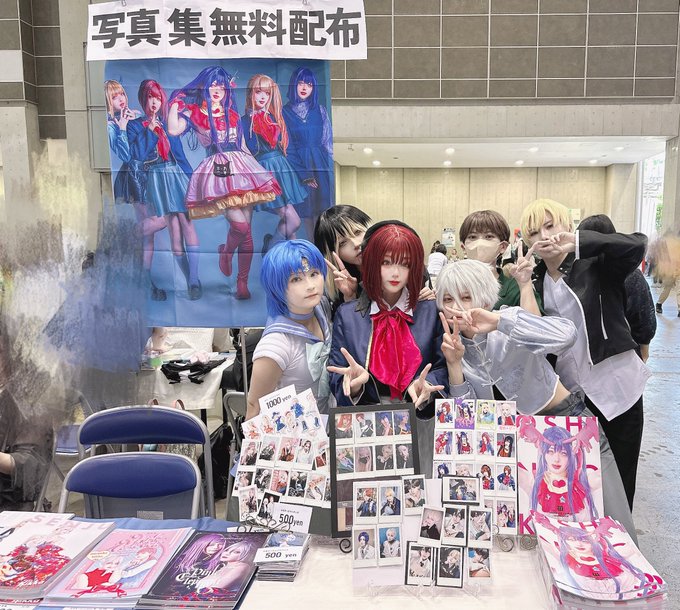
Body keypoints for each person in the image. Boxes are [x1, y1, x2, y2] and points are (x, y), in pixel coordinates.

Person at [434, 258, 635, 536]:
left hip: (568, 425)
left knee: (612, 524)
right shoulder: (452, 347)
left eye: (466, 297)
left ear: (484, 297)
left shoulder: (510, 319)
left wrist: (499, 322)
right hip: (517, 446)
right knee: (548, 538)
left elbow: (566, 335)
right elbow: (466, 419)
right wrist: (455, 364)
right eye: (448, 300)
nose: (457, 307)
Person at [520, 198, 650, 509]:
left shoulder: (598, 264)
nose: (544, 236)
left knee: (621, 484)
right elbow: (535, 334)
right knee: (580, 482)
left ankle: (621, 537)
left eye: (550, 226)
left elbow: (637, 245)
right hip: (572, 396)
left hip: (619, 390)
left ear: (567, 225)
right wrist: (524, 284)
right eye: (534, 232)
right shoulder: (536, 279)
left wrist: (577, 242)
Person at [327, 221, 451, 475]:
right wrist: (354, 385)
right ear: (373, 263)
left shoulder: (430, 311)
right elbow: (336, 371)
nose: (396, 273)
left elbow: (442, 366)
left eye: (404, 264)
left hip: (417, 417)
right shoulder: (348, 315)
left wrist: (427, 386)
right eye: (386, 263)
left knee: (418, 487)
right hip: (366, 422)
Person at [168, 66, 280, 300]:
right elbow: (173, 129)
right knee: (240, 227)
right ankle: (226, 252)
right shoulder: (196, 113)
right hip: (217, 172)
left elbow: (242, 145)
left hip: (241, 168)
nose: (217, 89)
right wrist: (176, 105)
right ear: (205, 87)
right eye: (213, 85)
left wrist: (257, 170)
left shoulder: (231, 114)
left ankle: (242, 283)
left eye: (221, 85)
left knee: (247, 231)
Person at [128, 79, 202, 300]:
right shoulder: (135, 125)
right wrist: (150, 131)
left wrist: (193, 181)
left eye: (158, 98)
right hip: (153, 180)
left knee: (186, 224)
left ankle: (194, 280)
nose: (154, 102)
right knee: (171, 233)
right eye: (150, 97)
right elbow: (136, 155)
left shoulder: (169, 122)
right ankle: (189, 279)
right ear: (143, 99)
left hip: (175, 175)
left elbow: (179, 155)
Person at [246, 240, 331, 419]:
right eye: (296, 279)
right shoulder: (275, 345)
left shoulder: (322, 308)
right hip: (296, 432)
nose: (310, 285)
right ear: (276, 287)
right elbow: (254, 407)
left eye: (314, 274)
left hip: (332, 425)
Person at [314, 205, 436, 314]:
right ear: (333, 254)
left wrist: (429, 299)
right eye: (342, 243)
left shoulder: (407, 265)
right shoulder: (341, 285)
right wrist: (351, 297)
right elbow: (350, 328)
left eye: (357, 232)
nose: (356, 244)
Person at [579, 215, 656, 362]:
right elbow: (644, 317)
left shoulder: (576, 273)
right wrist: (644, 347)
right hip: (623, 352)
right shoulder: (631, 274)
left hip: (590, 354)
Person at [242, 74, 306, 248]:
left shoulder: (275, 118)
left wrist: (304, 175)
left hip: (281, 167)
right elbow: (244, 151)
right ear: (250, 93)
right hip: (263, 170)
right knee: (293, 220)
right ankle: (271, 246)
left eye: (267, 93)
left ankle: (292, 258)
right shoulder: (243, 122)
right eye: (258, 92)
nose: (263, 97)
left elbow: (288, 147)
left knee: (291, 230)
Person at [282, 67, 335, 239]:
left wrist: (330, 168)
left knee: (321, 213)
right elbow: (287, 146)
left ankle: (320, 251)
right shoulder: (283, 113)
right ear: (294, 85)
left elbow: (327, 142)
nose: (305, 88)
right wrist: (304, 175)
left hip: (320, 163)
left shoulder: (320, 110)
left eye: (309, 85)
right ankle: (312, 249)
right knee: (306, 213)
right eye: (301, 83)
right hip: (298, 166)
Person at [458, 209, 541, 313]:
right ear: (463, 247)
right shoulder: (452, 282)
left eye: (488, 236)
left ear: (503, 247)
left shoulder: (514, 288)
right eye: (472, 237)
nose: (480, 243)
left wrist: (525, 286)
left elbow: (534, 322)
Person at [519, 418, 600, 522]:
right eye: (550, 452)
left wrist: (591, 430)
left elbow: (609, 472)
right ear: (543, 453)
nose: (556, 459)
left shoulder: (584, 482)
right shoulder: (532, 482)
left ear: (571, 455)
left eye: (563, 453)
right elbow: (503, 465)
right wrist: (522, 430)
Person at [654, 229, 680, 316]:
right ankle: (659, 303)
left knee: (679, 289)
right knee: (667, 289)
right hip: (670, 270)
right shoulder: (671, 245)